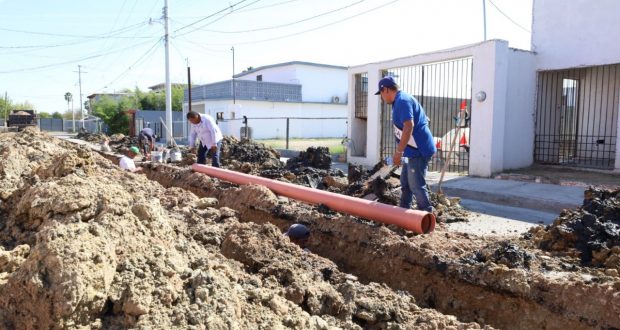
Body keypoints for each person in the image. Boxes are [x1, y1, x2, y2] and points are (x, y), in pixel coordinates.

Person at [375, 76, 436, 212]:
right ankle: (403, 212)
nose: (382, 98)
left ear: (385, 90)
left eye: (381, 94)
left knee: (416, 185)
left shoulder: (402, 101)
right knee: (406, 184)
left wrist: (399, 152)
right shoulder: (400, 101)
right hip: (411, 152)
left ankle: (426, 215)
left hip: (418, 151)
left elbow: (408, 126)